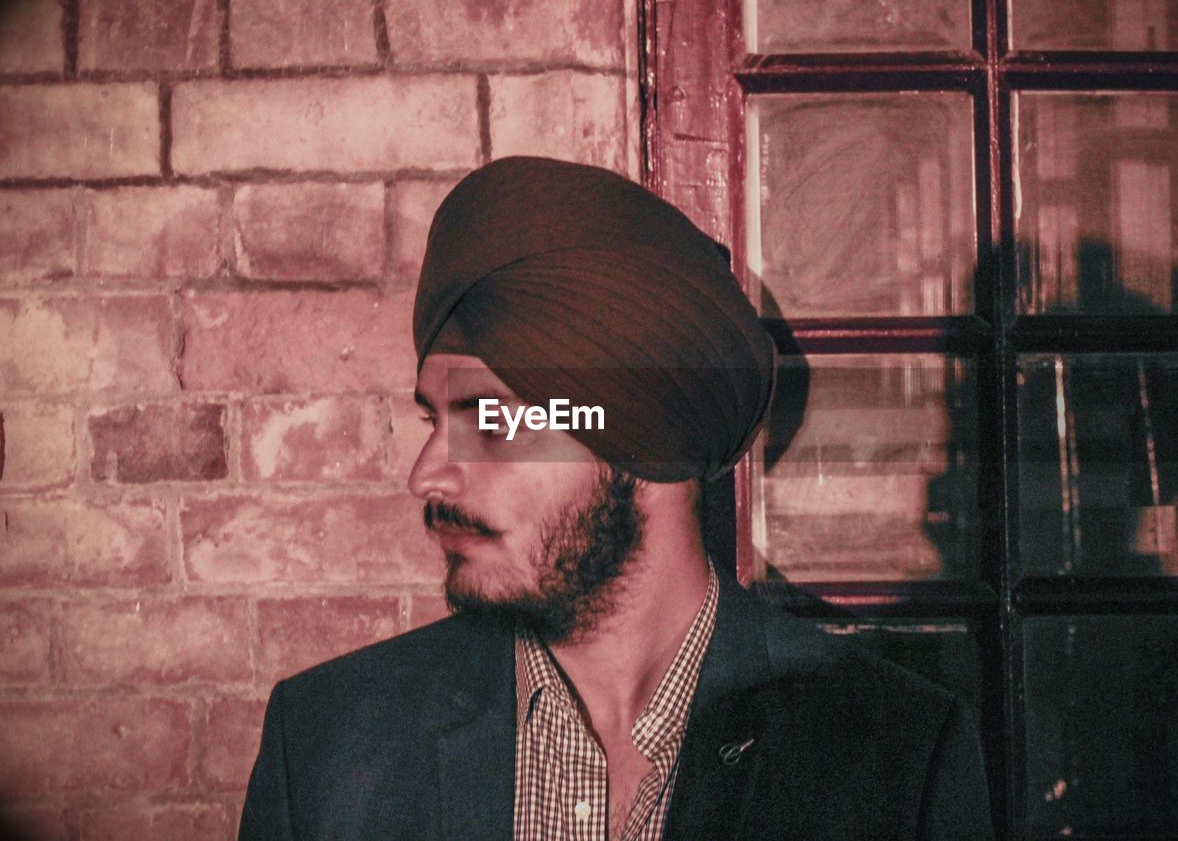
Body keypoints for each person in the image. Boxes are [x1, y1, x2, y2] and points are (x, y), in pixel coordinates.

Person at [238, 157, 993, 840]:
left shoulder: (892, 759)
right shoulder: (328, 747)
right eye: (435, 420)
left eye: (488, 418)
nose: (426, 476)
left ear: (639, 437)